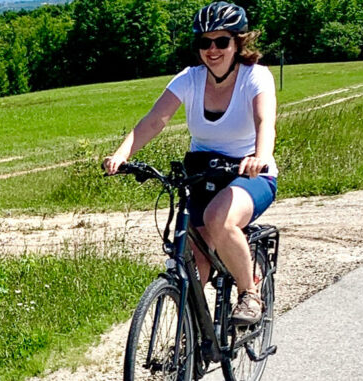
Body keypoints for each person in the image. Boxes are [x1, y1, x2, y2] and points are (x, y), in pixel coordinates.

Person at [102, 1, 278, 325]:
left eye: (221, 41)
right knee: (195, 256)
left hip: (249, 172)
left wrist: (260, 157)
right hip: (203, 170)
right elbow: (154, 120)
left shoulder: (256, 77)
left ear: (238, 42)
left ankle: (250, 293)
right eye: (204, 42)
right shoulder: (190, 79)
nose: (212, 50)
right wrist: (122, 154)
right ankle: (192, 341)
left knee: (218, 220)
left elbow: (265, 121)